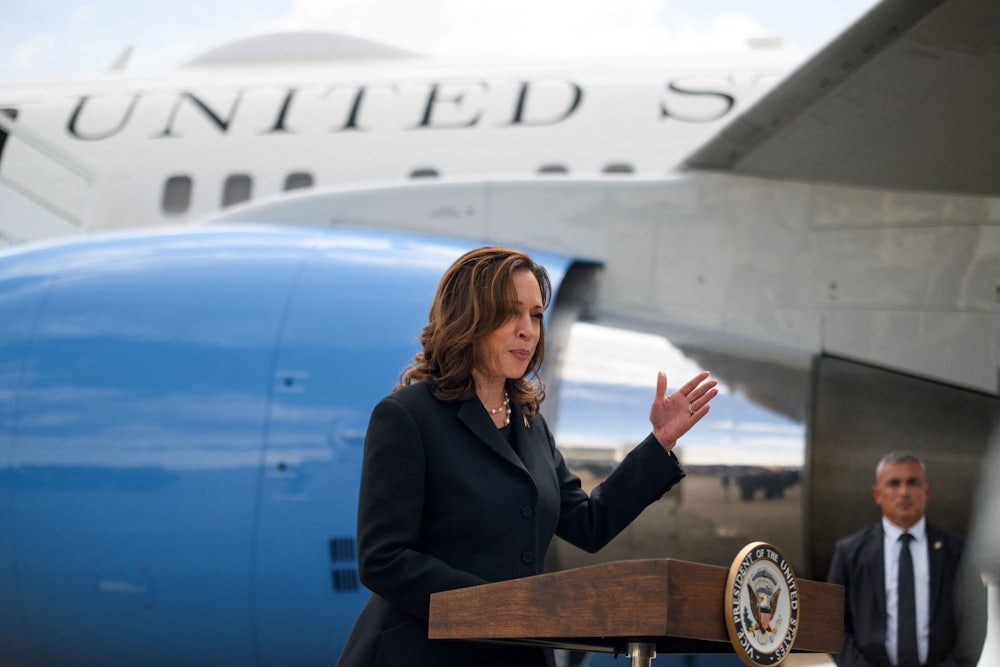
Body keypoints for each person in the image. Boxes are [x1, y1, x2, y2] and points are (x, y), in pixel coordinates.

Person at [336, 246, 718, 667]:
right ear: (469, 318)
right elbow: (383, 559)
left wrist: (658, 443)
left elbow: (589, 524)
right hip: (425, 655)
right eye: (510, 313)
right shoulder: (408, 416)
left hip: (518, 656)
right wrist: (501, 608)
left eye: (536, 315)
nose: (528, 330)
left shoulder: (530, 424)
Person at [827, 452, 987, 667]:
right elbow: (833, 626)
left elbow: (974, 622)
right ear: (877, 494)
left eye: (913, 483)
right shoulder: (849, 553)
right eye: (894, 484)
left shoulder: (958, 552)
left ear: (926, 491)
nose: (904, 492)